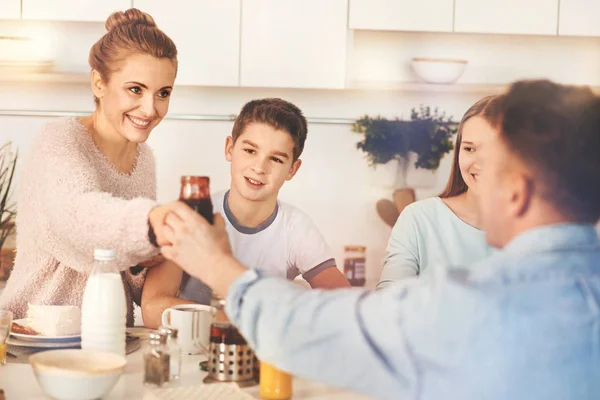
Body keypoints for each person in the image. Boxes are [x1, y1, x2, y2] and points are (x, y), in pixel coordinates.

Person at [155, 80, 600, 399]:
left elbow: (312, 326)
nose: (475, 176)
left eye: (492, 168)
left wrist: (217, 266)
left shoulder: (468, 307)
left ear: (517, 193)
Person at [0, 9, 179, 326]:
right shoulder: (59, 141)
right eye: (135, 89)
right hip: (30, 337)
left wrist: (151, 259)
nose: (151, 109)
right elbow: (79, 220)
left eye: (163, 93)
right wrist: (154, 221)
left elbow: (122, 260)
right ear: (99, 83)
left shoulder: (144, 159)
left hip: (109, 336)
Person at [141, 98, 350, 328]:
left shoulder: (296, 228)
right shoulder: (193, 214)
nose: (259, 168)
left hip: (260, 360)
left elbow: (344, 307)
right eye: (250, 150)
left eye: (276, 159)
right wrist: (234, 321)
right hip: (190, 354)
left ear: (292, 169)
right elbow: (152, 308)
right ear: (229, 148)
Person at [377, 96, 498, 289]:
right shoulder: (418, 219)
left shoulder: (541, 231)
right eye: (469, 148)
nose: (479, 162)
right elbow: (388, 304)